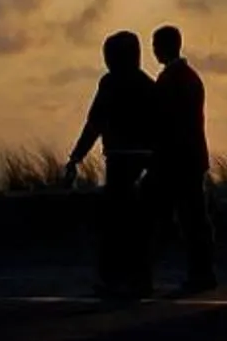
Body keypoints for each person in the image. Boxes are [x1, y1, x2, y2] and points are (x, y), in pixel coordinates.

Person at [63, 30, 160, 300]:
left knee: (114, 223)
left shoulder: (110, 84)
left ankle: (114, 279)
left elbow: (94, 124)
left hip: (121, 159)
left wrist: (76, 157)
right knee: (138, 224)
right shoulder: (149, 85)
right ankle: (140, 279)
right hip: (147, 160)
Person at [149, 24, 218, 295]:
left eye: (156, 45)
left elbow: (164, 122)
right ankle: (202, 272)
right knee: (194, 219)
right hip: (190, 157)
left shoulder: (172, 79)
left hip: (177, 159)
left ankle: (197, 273)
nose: (154, 51)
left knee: (182, 220)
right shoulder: (189, 77)